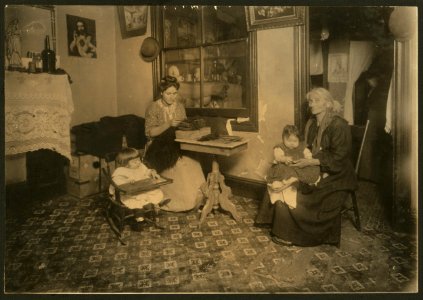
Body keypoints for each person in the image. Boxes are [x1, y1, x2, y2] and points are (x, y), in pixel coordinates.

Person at [255, 87, 358, 247]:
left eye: (317, 101)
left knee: (303, 193)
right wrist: (295, 160)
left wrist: (311, 163)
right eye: (310, 101)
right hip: (314, 166)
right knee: (283, 175)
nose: (311, 104)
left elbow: (340, 157)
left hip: (337, 173)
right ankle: (279, 225)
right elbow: (306, 148)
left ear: (328, 104)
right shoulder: (311, 123)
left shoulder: (339, 125)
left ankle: (293, 233)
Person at [144, 76, 205, 212]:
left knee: (192, 161)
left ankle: (199, 199)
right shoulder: (153, 107)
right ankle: (182, 203)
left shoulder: (180, 107)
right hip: (158, 145)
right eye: (168, 93)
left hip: (176, 142)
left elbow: (182, 128)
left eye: (175, 93)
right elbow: (150, 133)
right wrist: (168, 124)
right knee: (180, 166)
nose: (172, 97)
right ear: (161, 92)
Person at [109, 147, 170, 229]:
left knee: (155, 191)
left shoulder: (140, 166)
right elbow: (116, 182)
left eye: (139, 160)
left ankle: (158, 202)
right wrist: (127, 181)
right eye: (134, 162)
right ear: (125, 163)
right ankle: (139, 220)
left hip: (142, 189)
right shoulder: (120, 171)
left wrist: (152, 172)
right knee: (136, 202)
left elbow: (147, 171)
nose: (138, 163)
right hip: (128, 194)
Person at [266, 124, 322, 209]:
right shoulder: (280, 147)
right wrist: (284, 159)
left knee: (314, 168)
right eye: (289, 140)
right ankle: (281, 187)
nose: (292, 143)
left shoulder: (302, 147)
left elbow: (307, 153)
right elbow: (278, 156)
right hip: (286, 167)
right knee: (281, 170)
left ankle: (295, 183)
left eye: (295, 141)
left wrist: (308, 158)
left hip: (299, 167)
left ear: (299, 140)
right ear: (283, 138)